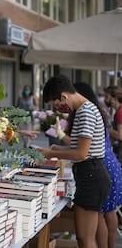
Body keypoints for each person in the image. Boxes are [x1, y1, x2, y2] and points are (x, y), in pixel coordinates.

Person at [36, 75, 111, 248]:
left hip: (91, 176)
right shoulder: (85, 110)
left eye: (57, 105)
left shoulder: (85, 112)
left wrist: (50, 154)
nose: (59, 109)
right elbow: (81, 148)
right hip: (91, 174)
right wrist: (55, 149)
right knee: (85, 238)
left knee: (85, 239)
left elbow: (81, 154)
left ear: (64, 97)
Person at [54, 82, 122, 248]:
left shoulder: (86, 113)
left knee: (99, 218)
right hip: (108, 164)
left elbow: (81, 149)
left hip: (99, 167)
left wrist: (57, 144)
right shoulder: (96, 111)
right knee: (108, 212)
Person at [104, 85, 122, 164]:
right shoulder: (118, 112)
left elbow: (120, 135)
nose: (105, 100)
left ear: (114, 98)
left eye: (107, 97)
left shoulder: (119, 113)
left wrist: (107, 129)